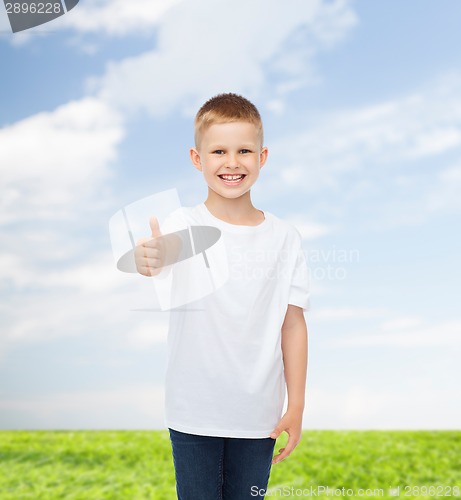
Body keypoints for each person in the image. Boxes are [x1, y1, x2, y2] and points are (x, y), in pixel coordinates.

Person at [135, 93, 310, 500]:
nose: (232, 162)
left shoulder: (285, 237)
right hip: (193, 411)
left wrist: (296, 403)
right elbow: (158, 260)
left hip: (259, 415)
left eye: (244, 150)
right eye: (219, 151)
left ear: (262, 156)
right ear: (198, 159)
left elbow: (293, 323)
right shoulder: (183, 225)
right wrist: (150, 258)